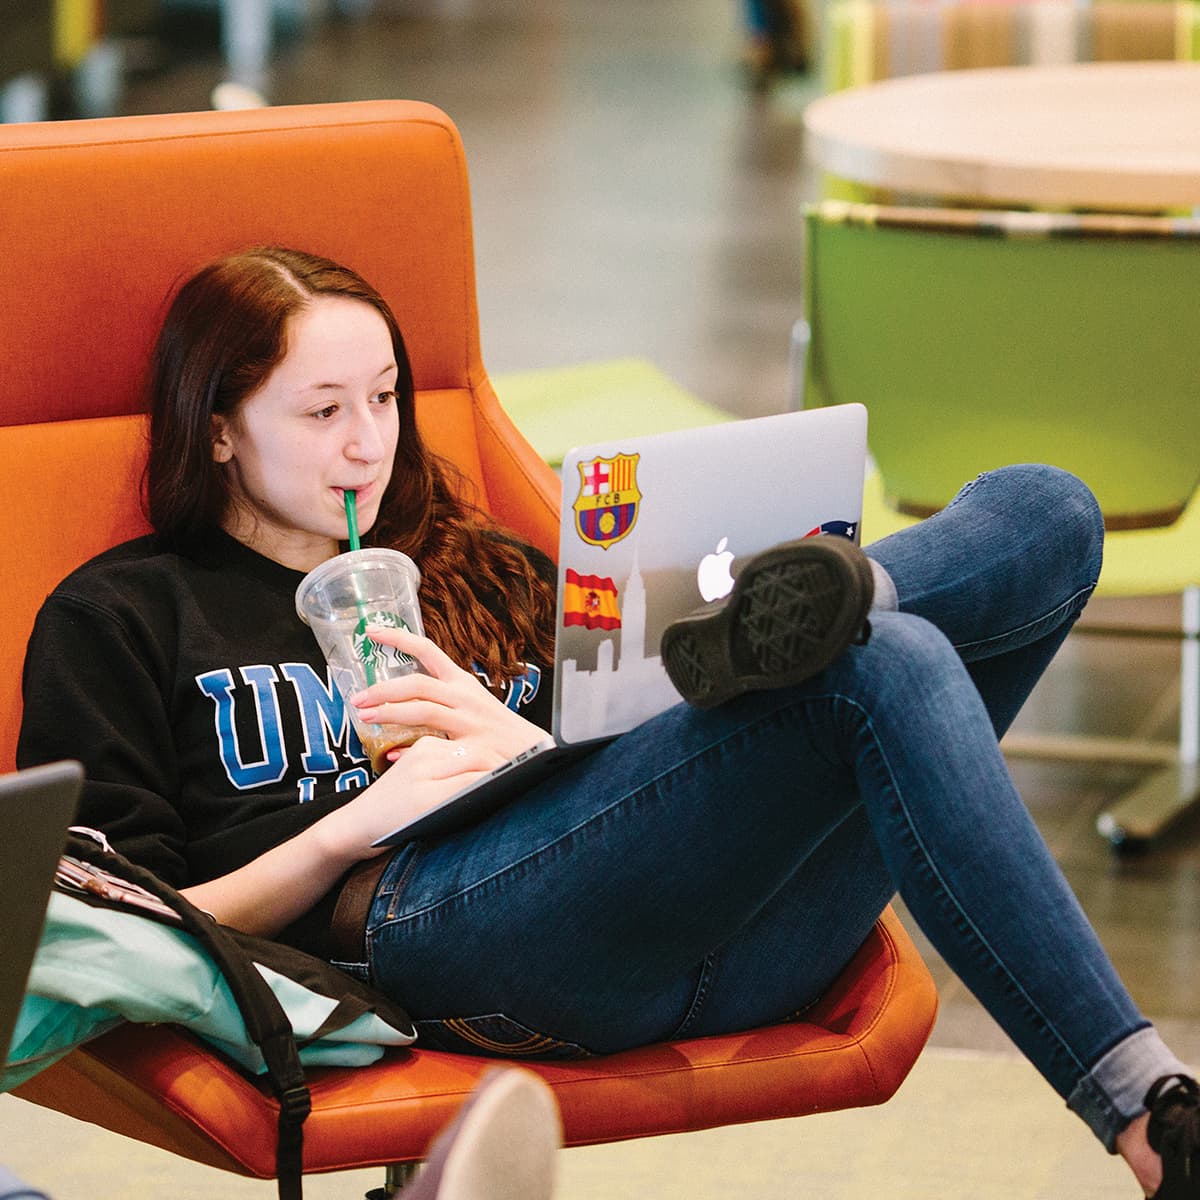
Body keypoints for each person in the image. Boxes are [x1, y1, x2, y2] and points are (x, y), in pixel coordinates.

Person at [16, 247, 1200, 1199]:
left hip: (726, 926)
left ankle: (841, 601)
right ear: (219, 428)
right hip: (434, 935)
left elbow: (623, 783)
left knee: (1052, 510)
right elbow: (109, 928)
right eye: (322, 410)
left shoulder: (481, 568)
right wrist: (351, 830)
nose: (369, 442)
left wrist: (517, 747)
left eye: (384, 397)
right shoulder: (123, 613)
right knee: (882, 664)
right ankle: (1152, 1115)